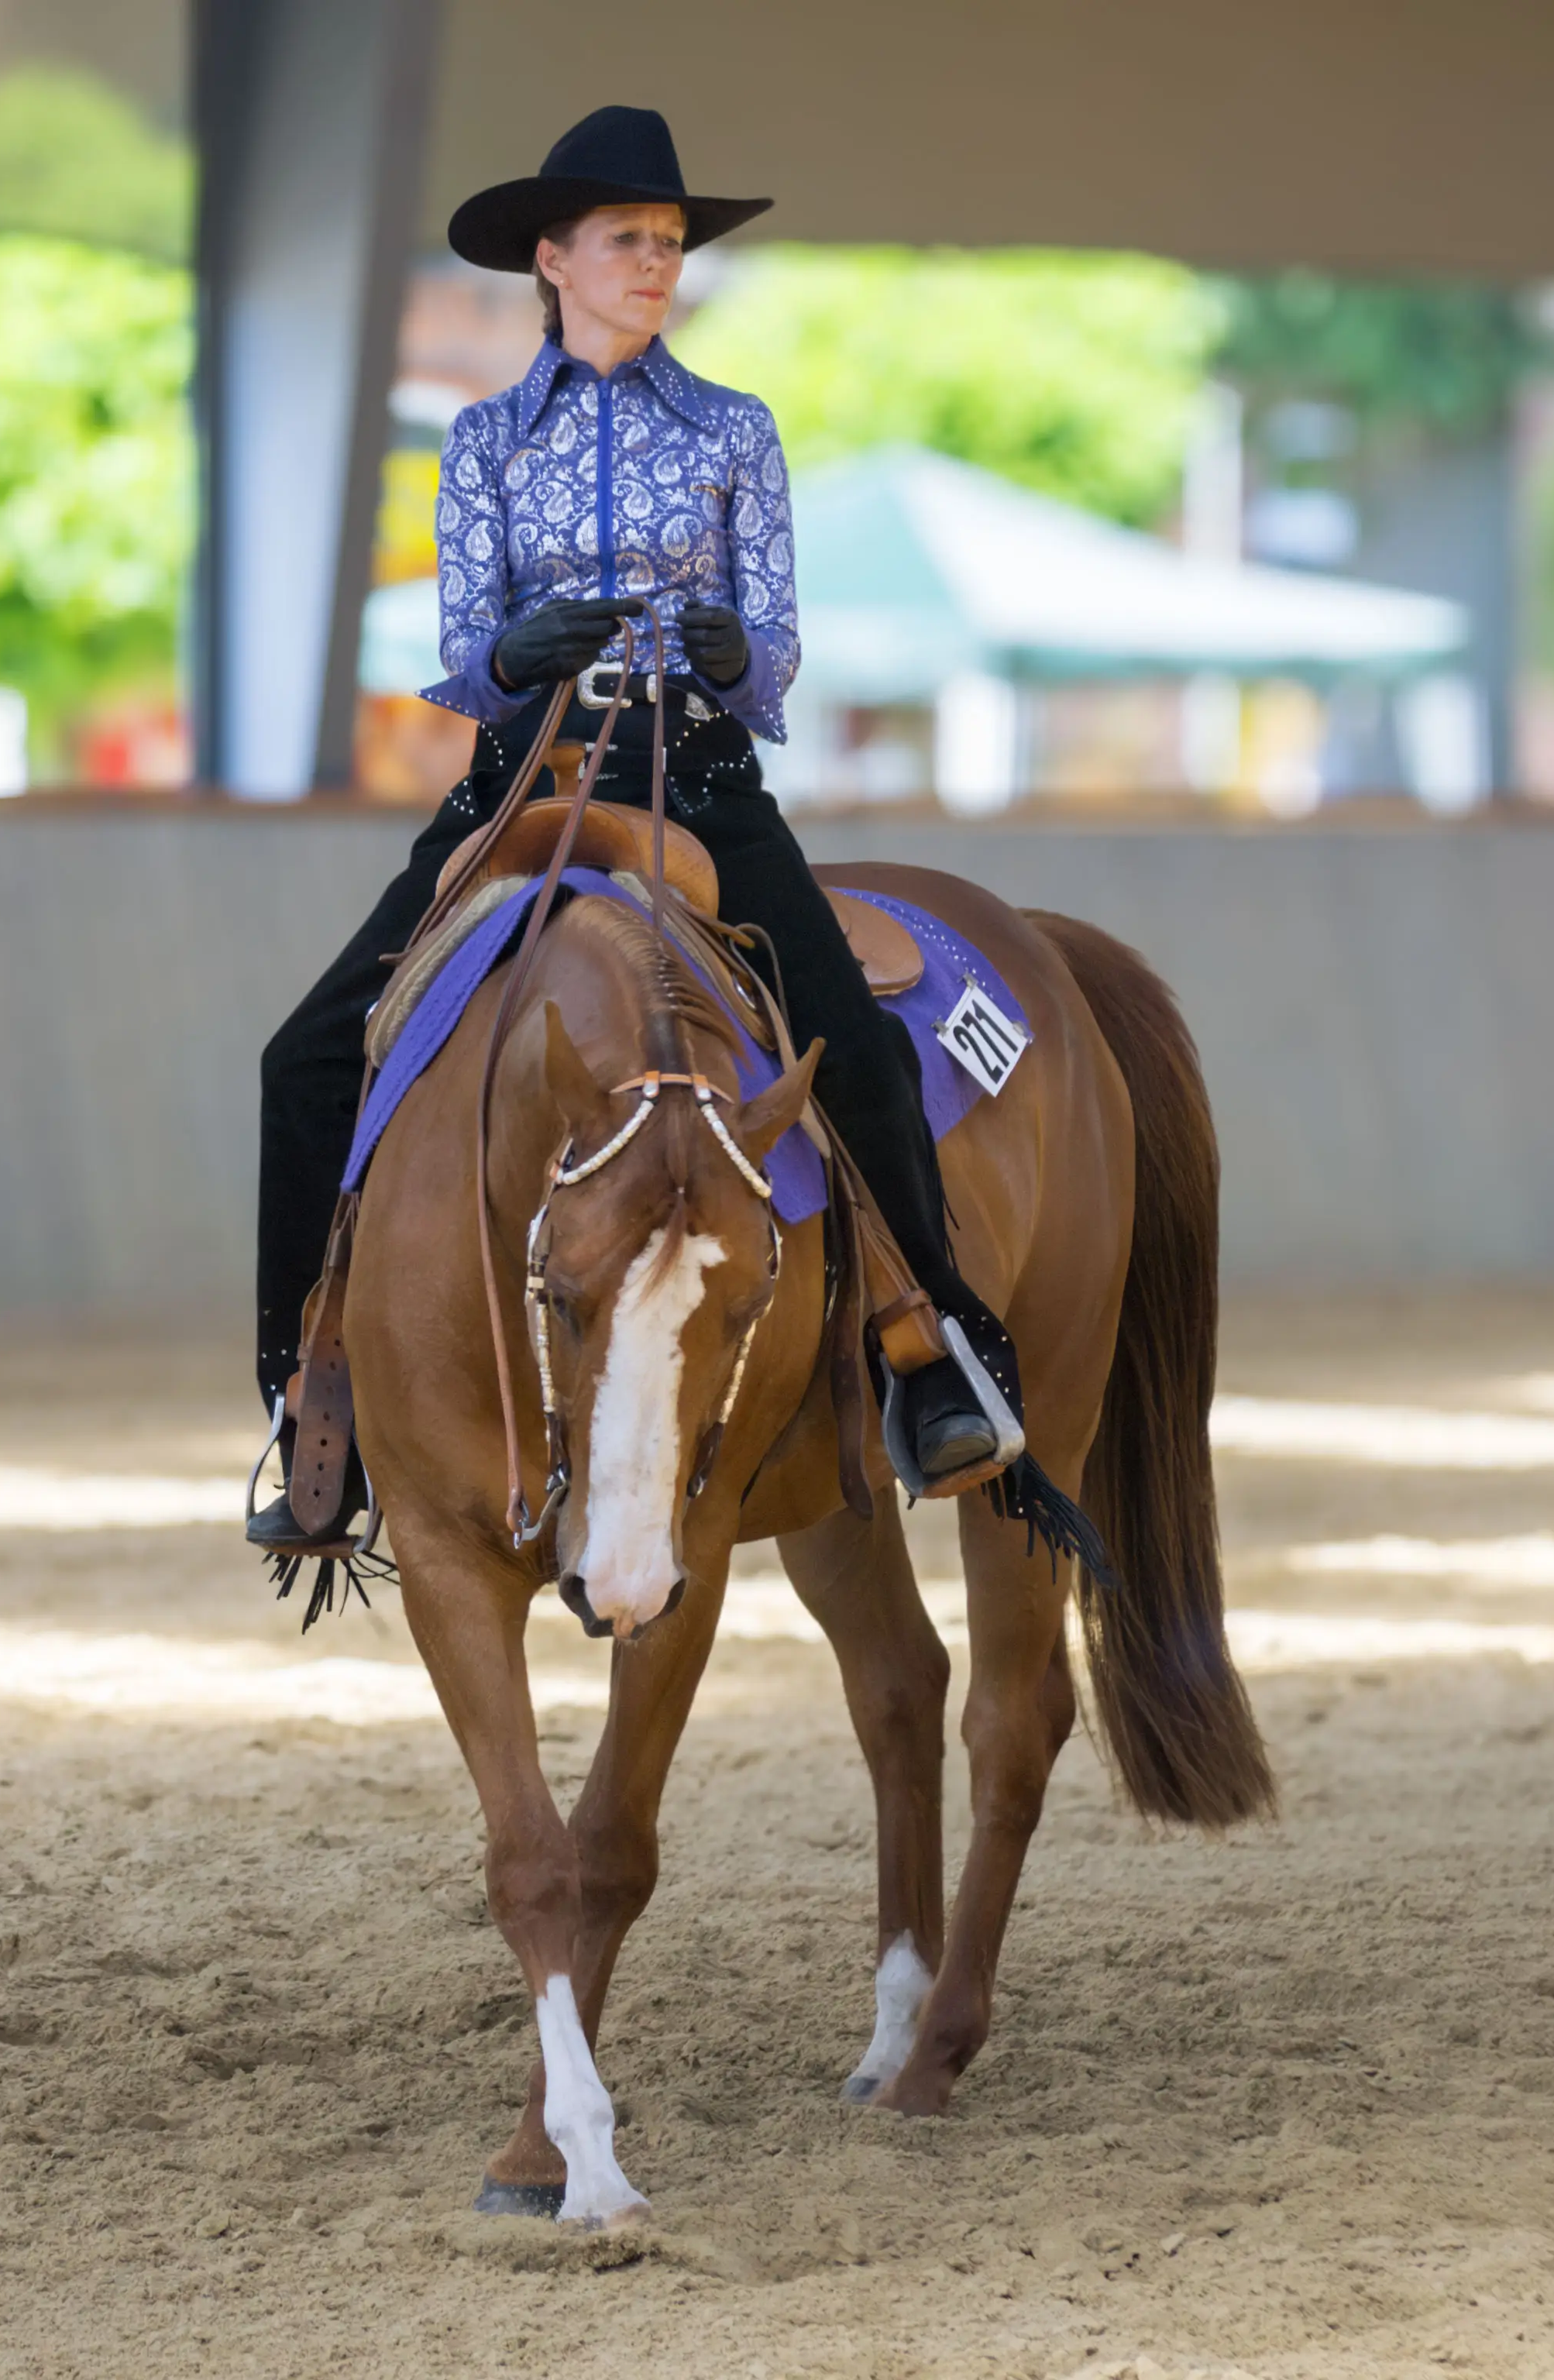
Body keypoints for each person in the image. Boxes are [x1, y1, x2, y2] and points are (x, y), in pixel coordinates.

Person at [249, 105, 1021, 1554]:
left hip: (703, 772)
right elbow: (463, 653)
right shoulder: (481, 443)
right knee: (302, 1055)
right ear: (553, 260)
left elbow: (780, 654)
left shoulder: (737, 430)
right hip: (523, 775)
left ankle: (943, 1354)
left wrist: (731, 654)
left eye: (670, 244)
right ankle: (311, 1400)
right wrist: (518, 652)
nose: (657, 264)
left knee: (847, 1040)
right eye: (630, 242)